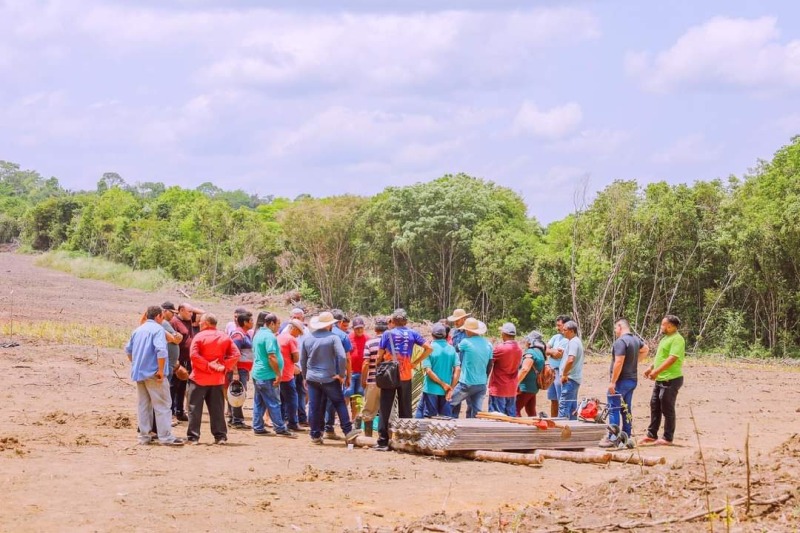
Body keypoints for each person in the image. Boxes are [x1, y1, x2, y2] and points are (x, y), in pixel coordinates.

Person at [126, 305, 184, 446]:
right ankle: (165, 437)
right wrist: (160, 370)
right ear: (158, 316)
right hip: (154, 373)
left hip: (140, 373)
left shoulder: (138, 330)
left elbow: (128, 350)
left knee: (143, 405)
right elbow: (161, 351)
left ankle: (144, 436)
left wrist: (136, 363)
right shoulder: (158, 329)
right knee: (163, 405)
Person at [374, 308, 432, 451]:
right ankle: (405, 440)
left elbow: (379, 356)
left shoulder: (387, 334)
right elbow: (429, 349)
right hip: (406, 375)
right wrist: (415, 362)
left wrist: (378, 367)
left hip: (389, 375)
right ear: (406, 321)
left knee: (385, 407)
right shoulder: (413, 333)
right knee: (405, 409)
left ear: (392, 321)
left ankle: (382, 442)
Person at [301, 311, 361, 445]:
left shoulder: (308, 339)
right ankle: (347, 431)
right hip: (329, 377)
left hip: (312, 378)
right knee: (339, 402)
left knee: (315, 406)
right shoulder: (333, 338)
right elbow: (342, 356)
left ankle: (316, 435)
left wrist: (305, 377)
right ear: (330, 325)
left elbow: (303, 360)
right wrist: (341, 374)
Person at [187, 313, 240, 444]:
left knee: (194, 408)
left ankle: (194, 437)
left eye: (200, 322)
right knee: (217, 409)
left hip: (199, 378)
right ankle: (220, 436)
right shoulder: (224, 336)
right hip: (217, 379)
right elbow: (236, 354)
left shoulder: (199, 337)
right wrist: (223, 366)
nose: (198, 324)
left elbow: (193, 355)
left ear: (205, 323)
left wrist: (207, 365)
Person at [599, 319, 650, 447]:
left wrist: (612, 382)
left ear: (620, 326)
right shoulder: (635, 339)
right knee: (626, 409)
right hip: (632, 380)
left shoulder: (621, 342)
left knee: (613, 408)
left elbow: (619, 362)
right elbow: (646, 349)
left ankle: (612, 437)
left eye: (616, 328)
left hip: (621, 381)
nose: (615, 331)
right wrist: (633, 362)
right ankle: (626, 436)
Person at [641, 315, 686, 446]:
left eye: (663, 324)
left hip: (671, 379)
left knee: (667, 409)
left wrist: (656, 371)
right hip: (661, 379)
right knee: (655, 406)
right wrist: (651, 368)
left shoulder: (678, 339)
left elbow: (672, 359)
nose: (661, 327)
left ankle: (667, 437)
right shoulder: (665, 339)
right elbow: (661, 357)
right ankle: (651, 434)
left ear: (670, 326)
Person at [252, 312, 296, 438]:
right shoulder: (269, 337)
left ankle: (258, 426)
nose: (279, 326)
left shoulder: (259, 334)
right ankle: (280, 428)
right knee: (274, 402)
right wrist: (278, 373)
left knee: (259, 402)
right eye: (277, 324)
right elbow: (271, 356)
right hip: (267, 375)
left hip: (259, 373)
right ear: (271, 323)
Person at [448, 317, 492, 419]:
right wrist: (484, 378)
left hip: (466, 383)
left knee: (449, 403)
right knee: (477, 412)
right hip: (481, 384)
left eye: (466, 329)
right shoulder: (488, 344)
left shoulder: (465, 342)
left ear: (469, 331)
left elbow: (453, 351)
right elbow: (490, 364)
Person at [417, 323, 459, 418]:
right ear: (445, 335)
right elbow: (458, 369)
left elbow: (428, 371)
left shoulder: (429, 349)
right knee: (445, 420)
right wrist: (450, 388)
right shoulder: (452, 349)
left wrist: (442, 384)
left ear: (432, 335)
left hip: (431, 389)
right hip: (446, 391)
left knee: (429, 418)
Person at [360, 317, 388, 437]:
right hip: (388, 382)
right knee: (388, 411)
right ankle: (387, 437)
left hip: (372, 381)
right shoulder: (390, 343)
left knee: (368, 410)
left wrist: (363, 379)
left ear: (375, 330)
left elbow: (366, 363)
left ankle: (368, 436)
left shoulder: (369, 343)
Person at [488, 322, 523, 416]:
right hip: (512, 389)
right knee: (510, 419)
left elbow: (489, 362)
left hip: (499, 388)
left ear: (503, 334)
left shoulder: (500, 348)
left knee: (497, 418)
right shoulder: (519, 349)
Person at [227, 311, 254, 430]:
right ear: (245, 322)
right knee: (238, 393)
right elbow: (234, 354)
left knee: (236, 392)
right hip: (238, 369)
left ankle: (234, 418)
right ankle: (237, 420)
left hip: (243, 369)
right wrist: (235, 371)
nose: (253, 323)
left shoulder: (244, 334)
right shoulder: (238, 335)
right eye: (251, 321)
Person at [279, 318, 305, 432]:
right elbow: (296, 357)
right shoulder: (291, 339)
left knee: (281, 399)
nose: (298, 334)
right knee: (292, 398)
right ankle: (293, 422)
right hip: (288, 373)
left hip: (279, 373)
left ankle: (281, 420)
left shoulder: (279, 337)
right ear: (293, 329)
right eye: (298, 331)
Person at [169, 303, 195, 421]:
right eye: (189, 311)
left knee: (182, 386)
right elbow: (172, 341)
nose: (191, 314)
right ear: (181, 310)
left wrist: (191, 310)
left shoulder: (188, 320)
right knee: (174, 386)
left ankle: (180, 411)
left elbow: (203, 313)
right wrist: (176, 361)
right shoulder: (174, 322)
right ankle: (171, 412)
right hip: (178, 359)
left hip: (187, 359)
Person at [545, 315, 571, 417]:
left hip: (560, 372)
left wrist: (550, 352)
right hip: (551, 372)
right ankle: (554, 421)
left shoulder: (568, 340)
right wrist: (551, 351)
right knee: (553, 400)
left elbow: (557, 355)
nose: (557, 327)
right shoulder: (555, 337)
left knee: (562, 401)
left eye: (559, 325)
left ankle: (562, 422)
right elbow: (545, 349)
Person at [516, 331, 547, 417]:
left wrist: (515, 383)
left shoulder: (531, 352)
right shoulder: (540, 352)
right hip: (533, 387)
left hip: (525, 388)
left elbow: (524, 369)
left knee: (515, 410)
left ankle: (518, 430)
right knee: (531, 411)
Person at [559, 321, 584, 420]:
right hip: (574, 379)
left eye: (565, 330)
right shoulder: (575, 341)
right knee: (572, 408)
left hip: (570, 379)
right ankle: (573, 431)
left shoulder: (573, 342)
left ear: (572, 331)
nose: (563, 332)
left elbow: (570, 360)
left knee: (564, 407)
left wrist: (564, 374)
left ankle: (561, 431)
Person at [346, 316, 370, 424]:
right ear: (353, 329)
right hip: (350, 372)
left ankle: (355, 419)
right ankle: (344, 417)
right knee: (347, 394)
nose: (359, 330)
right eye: (357, 328)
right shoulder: (348, 338)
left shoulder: (368, 339)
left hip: (362, 372)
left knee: (359, 395)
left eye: (361, 328)